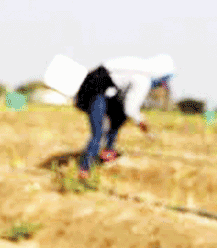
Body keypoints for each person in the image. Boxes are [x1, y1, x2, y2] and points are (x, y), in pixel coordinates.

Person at [74, 54, 174, 182]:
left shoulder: (140, 67)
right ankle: (84, 170)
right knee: (98, 134)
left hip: (99, 86)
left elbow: (124, 103)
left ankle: (107, 152)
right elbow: (131, 109)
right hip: (95, 90)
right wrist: (142, 123)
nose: (161, 85)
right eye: (163, 81)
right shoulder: (144, 80)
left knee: (119, 116)